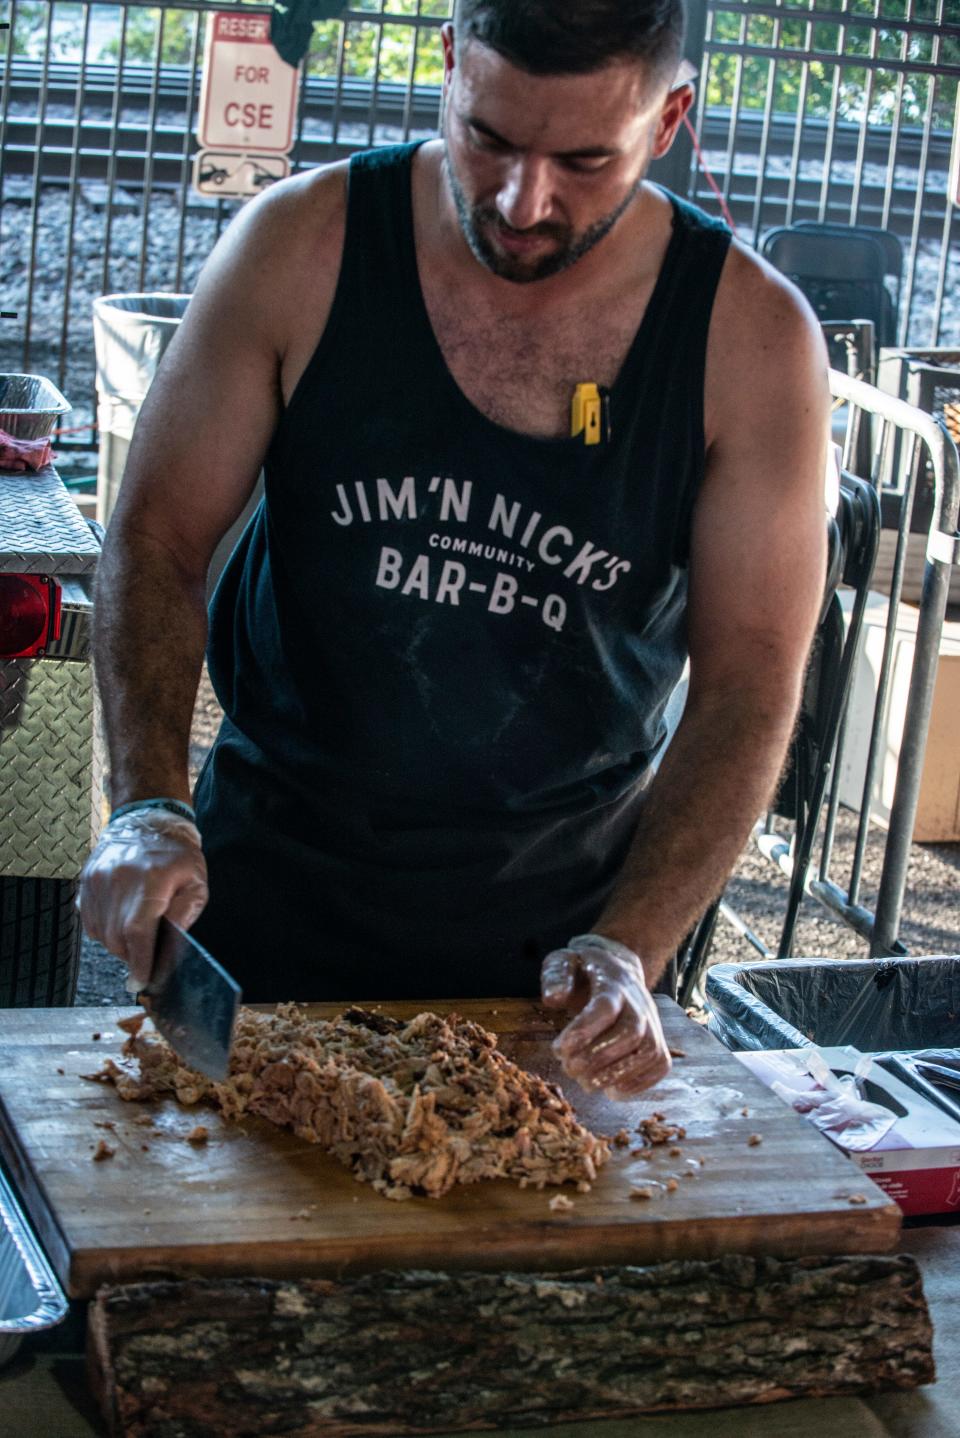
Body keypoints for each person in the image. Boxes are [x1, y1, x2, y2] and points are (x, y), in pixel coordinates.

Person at [79, 0, 829, 1102]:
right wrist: (146, 801)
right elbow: (156, 537)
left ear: (669, 119)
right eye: (489, 140)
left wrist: (634, 943)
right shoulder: (301, 247)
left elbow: (752, 684)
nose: (526, 202)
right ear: (445, 68)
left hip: (562, 957)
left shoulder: (753, 342)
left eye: (583, 159)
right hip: (270, 894)